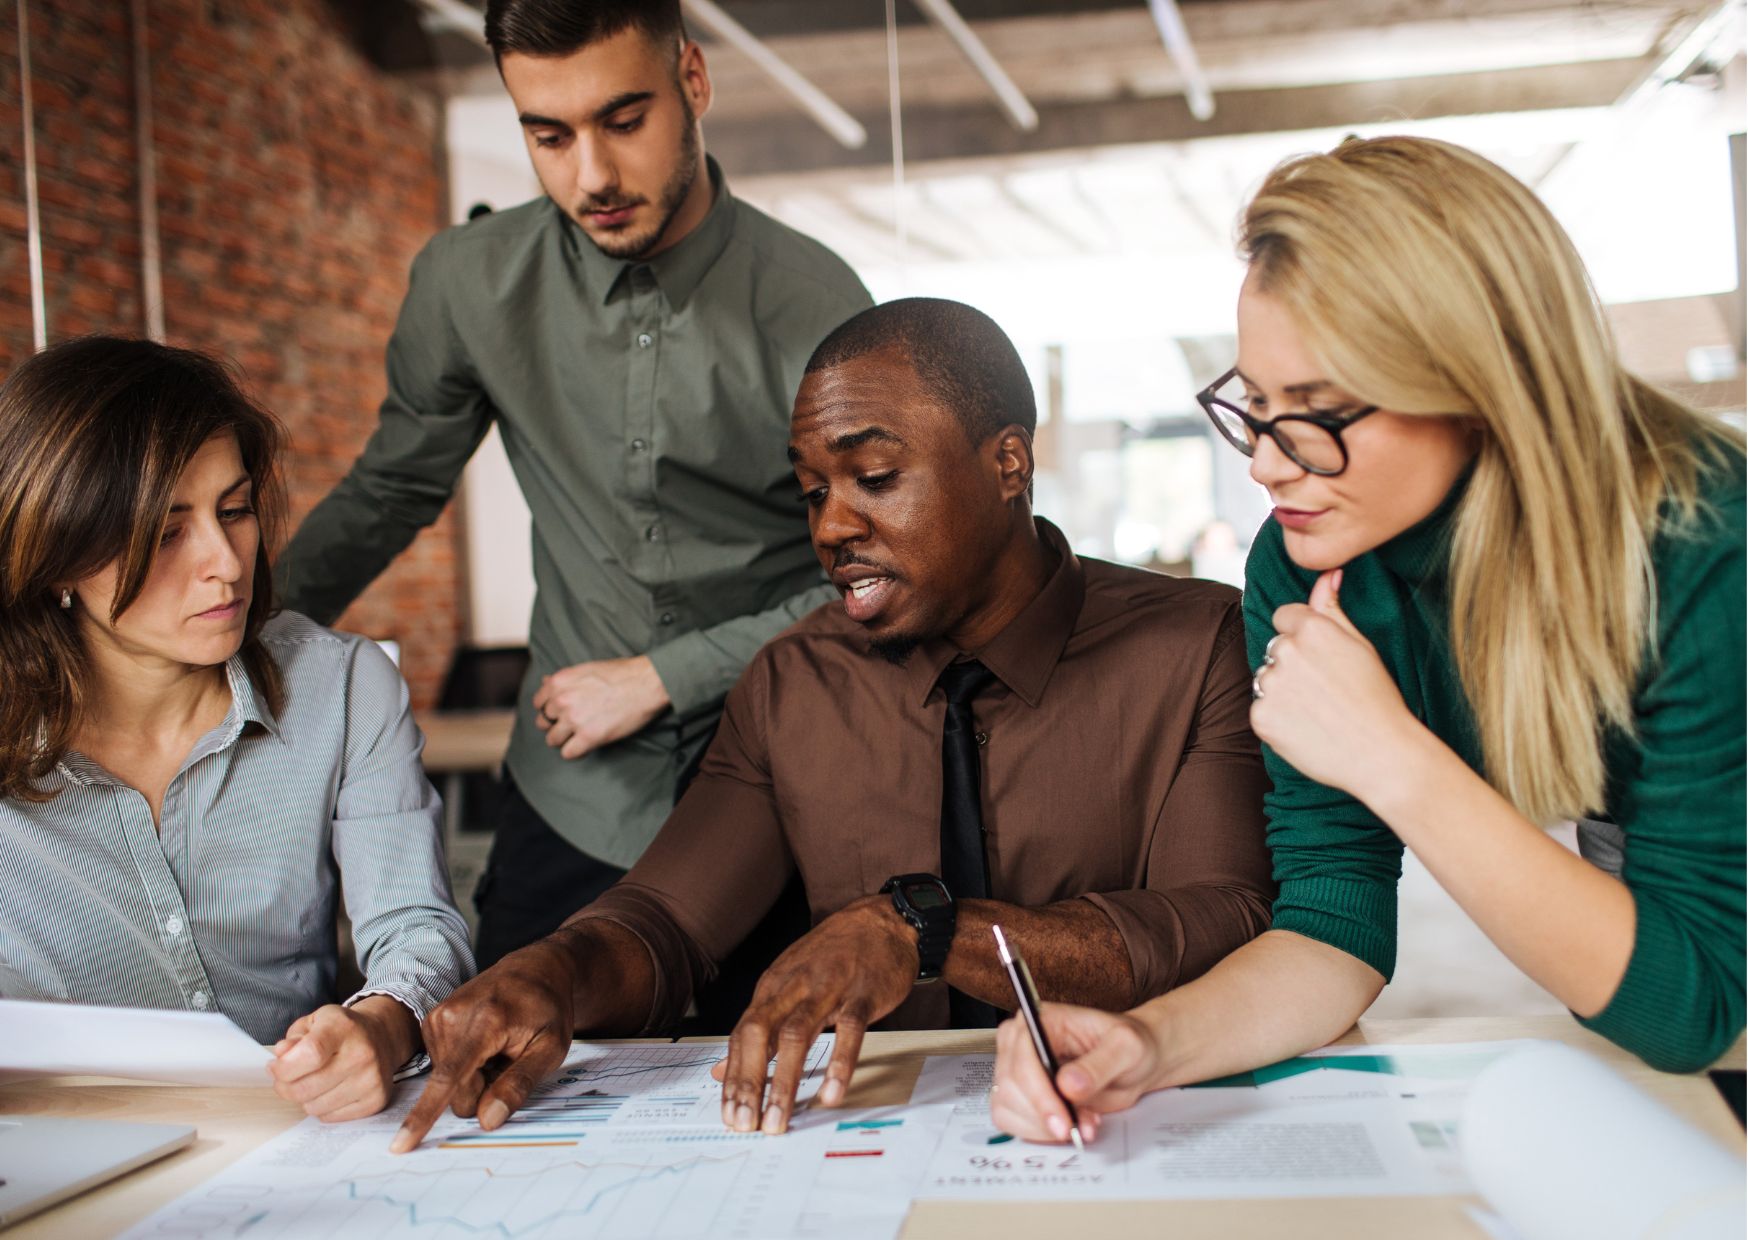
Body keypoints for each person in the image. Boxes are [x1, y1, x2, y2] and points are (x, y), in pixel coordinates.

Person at [990, 135, 1746, 1146]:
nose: (1265, 464)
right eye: (1252, 406)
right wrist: (1151, 1042)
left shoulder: (1700, 544)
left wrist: (1389, 755)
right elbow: (1331, 917)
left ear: (1478, 384)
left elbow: (1688, 1005)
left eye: (1311, 413)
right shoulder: (1308, 563)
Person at [387, 298, 1275, 1153]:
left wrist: (923, 929)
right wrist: (556, 972)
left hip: (1125, 1128)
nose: (833, 526)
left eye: (875, 479)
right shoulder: (793, 681)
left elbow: (1225, 918)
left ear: (1008, 464)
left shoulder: (1194, 643)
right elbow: (665, 922)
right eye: (813, 492)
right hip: (863, 1148)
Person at [274, 0, 872, 968]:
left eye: (623, 122)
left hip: (784, 791)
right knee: (505, 1084)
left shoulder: (818, 306)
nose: (590, 176)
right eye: (547, 136)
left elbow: (874, 583)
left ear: (693, 81)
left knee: (783, 1102)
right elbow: (388, 493)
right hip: (574, 802)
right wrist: (228, 637)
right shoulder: (467, 285)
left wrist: (662, 679)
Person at [0, 336, 475, 1122]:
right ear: (56, 555)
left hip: (294, 1142)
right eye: (166, 531)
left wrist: (378, 1029)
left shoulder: (343, 686)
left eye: (235, 510)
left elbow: (416, 932)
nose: (226, 562)